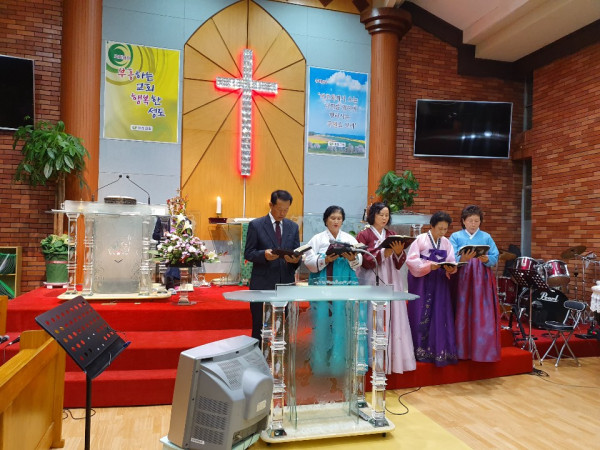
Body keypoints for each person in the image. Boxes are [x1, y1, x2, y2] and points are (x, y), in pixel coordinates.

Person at [356, 202, 416, 374]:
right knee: (373, 316)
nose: (384, 218)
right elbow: (364, 259)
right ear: (373, 215)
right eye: (381, 214)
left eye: (387, 215)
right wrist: (384, 253)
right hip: (372, 278)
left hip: (392, 277)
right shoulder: (364, 235)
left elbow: (399, 263)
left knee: (394, 314)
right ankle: (373, 358)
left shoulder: (392, 234)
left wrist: (398, 252)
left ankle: (394, 357)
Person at [304, 205, 363, 375]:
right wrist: (326, 259)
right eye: (333, 218)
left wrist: (352, 258)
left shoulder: (349, 239)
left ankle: (339, 364)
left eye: (339, 218)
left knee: (342, 323)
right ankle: (320, 364)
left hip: (344, 286)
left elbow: (358, 261)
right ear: (326, 220)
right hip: (322, 287)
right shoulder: (317, 239)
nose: (336, 221)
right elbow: (309, 261)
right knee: (321, 324)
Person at [244, 190, 301, 342]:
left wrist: (295, 260)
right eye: (279, 209)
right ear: (271, 205)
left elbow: (297, 252)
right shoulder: (256, 225)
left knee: (283, 327)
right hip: (263, 283)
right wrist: (264, 255)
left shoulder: (293, 227)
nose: (283, 213)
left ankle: (282, 355)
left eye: (286, 210)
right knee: (260, 326)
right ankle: (259, 355)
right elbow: (248, 253)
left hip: (286, 283)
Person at [406, 211, 458, 367]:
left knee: (439, 313)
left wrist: (451, 268)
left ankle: (438, 350)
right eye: (440, 228)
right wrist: (429, 265)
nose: (442, 232)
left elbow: (452, 260)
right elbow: (411, 261)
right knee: (421, 312)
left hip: (439, 281)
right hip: (422, 281)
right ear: (432, 226)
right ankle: (420, 350)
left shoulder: (446, 243)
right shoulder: (420, 239)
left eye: (445, 229)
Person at [450, 205, 501, 362]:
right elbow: (450, 256)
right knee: (462, 310)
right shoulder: (455, 236)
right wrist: (461, 258)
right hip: (462, 276)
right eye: (470, 220)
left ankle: (482, 350)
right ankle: (462, 350)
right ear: (463, 221)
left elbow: (495, 256)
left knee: (482, 312)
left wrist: (487, 259)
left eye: (476, 221)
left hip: (482, 279)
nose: (473, 224)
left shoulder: (486, 237)